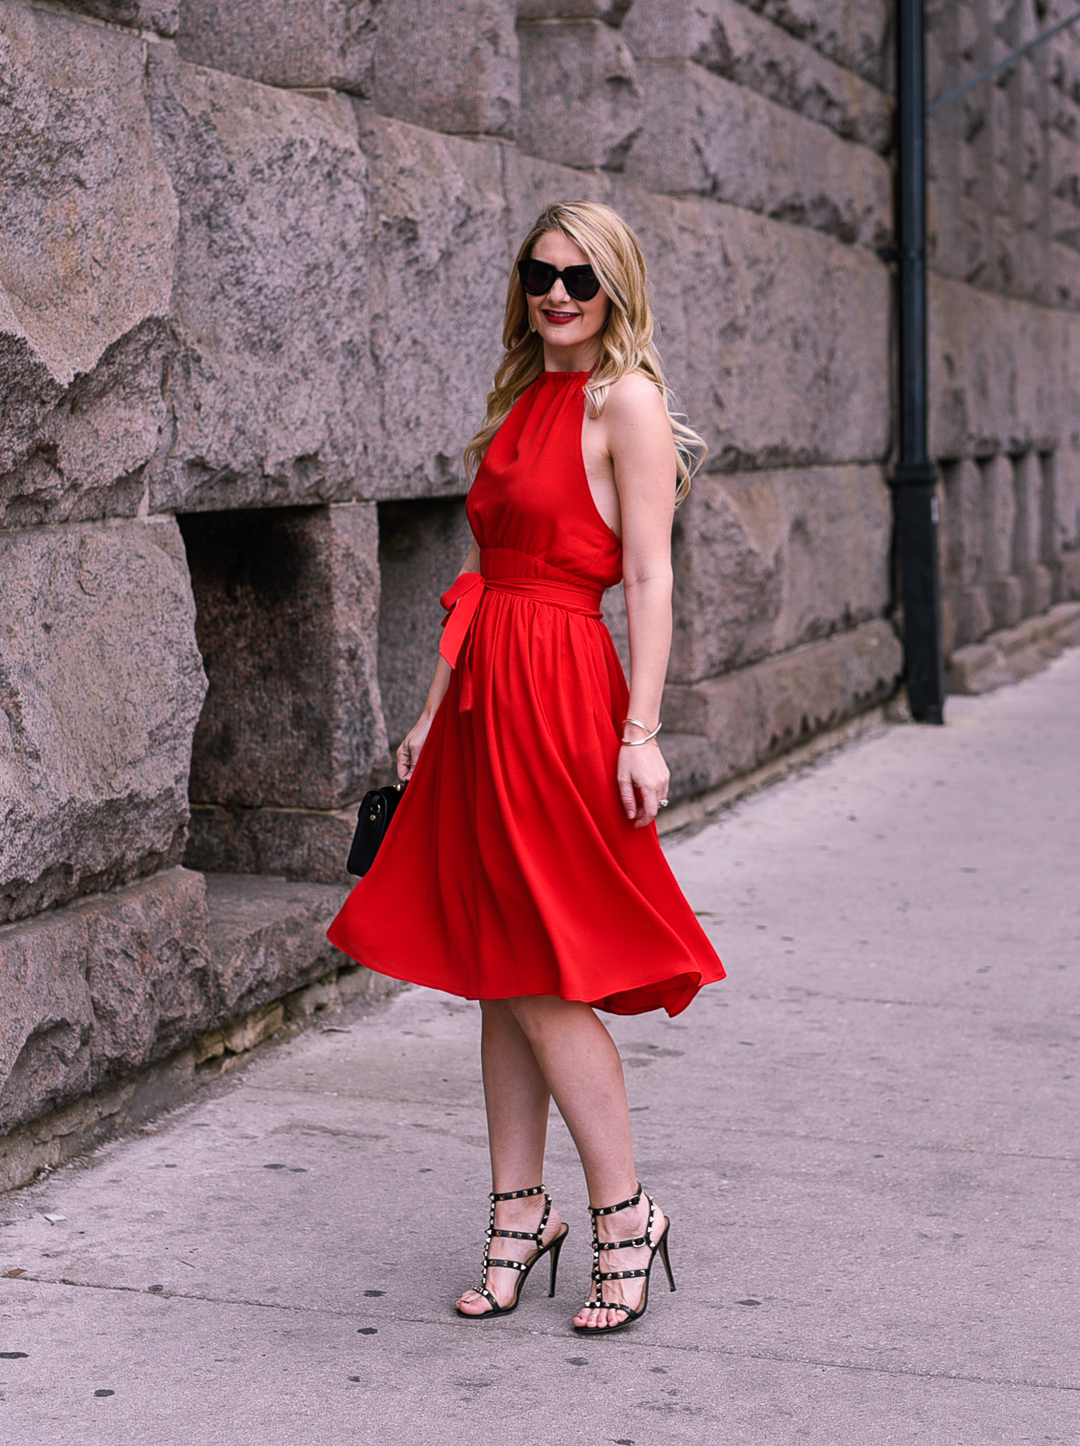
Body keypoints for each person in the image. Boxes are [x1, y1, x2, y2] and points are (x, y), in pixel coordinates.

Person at [328, 201, 724, 1334]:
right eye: (540, 273)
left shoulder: (624, 401)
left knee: (548, 973)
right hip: (483, 695)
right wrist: (431, 707)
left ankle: (624, 1213)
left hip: (559, 693)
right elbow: (484, 572)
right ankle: (517, 1215)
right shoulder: (522, 397)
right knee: (500, 969)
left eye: (581, 279)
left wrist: (640, 730)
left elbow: (648, 578)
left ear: (616, 290)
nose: (557, 293)